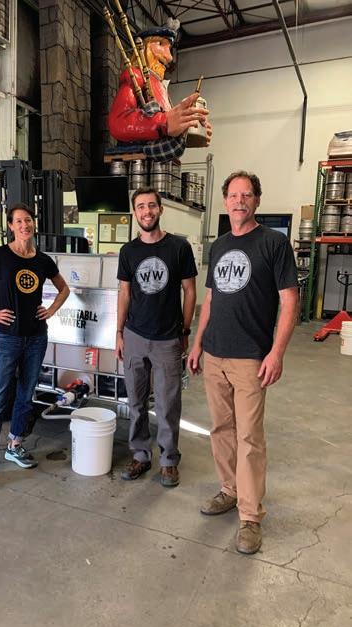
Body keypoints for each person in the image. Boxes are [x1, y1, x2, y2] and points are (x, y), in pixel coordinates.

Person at [187, 171, 298, 554]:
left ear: (256, 201)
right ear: (225, 201)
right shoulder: (219, 246)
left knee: (250, 437)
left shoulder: (273, 244)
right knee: (221, 429)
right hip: (215, 353)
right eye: (233, 195)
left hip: (251, 356)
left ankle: (250, 516)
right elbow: (211, 300)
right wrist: (197, 344)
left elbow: (289, 301)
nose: (239, 201)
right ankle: (229, 490)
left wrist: (277, 352)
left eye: (246, 195)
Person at [0, 203, 70, 492]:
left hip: (36, 337)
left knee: (25, 395)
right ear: (10, 226)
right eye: (18, 221)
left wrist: (51, 310)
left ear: (33, 223)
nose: (24, 225)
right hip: (7, 338)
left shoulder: (43, 260)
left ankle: (14, 445)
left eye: (28, 220)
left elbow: (64, 289)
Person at [116, 186, 197, 487]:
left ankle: (168, 460)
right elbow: (124, 293)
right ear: (135, 212)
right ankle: (140, 455)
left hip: (167, 338)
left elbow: (190, 291)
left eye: (151, 205)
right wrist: (118, 332)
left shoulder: (179, 247)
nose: (147, 211)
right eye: (141, 206)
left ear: (160, 209)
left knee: (167, 403)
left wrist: (185, 330)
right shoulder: (128, 251)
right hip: (135, 336)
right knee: (136, 402)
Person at [108, 24, 212, 161]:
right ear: (144, 47)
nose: (169, 57)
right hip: (135, 162)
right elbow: (118, 122)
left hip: (160, 163)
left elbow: (165, 133)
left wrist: (187, 126)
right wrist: (164, 121)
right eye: (161, 44)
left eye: (169, 48)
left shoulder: (161, 87)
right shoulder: (135, 76)